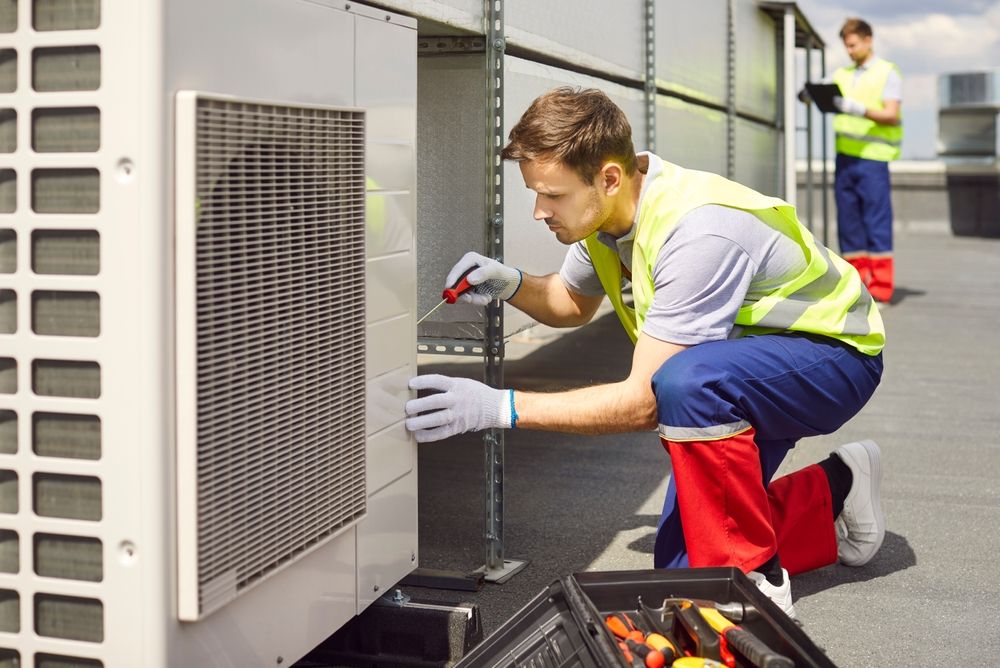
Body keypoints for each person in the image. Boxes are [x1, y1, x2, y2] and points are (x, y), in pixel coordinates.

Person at [405, 87, 887, 618]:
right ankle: (838, 485)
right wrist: (510, 283)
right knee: (680, 568)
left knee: (686, 384)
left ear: (608, 178)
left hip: (833, 358)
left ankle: (746, 587)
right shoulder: (607, 218)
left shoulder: (700, 231)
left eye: (553, 195)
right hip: (745, 366)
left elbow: (644, 403)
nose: (540, 211)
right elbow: (570, 303)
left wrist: (496, 408)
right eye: (535, 194)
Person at [827, 17, 903, 303]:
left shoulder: (887, 72)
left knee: (876, 222)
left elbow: (891, 113)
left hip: (873, 161)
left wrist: (857, 109)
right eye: (846, 46)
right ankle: (857, 288)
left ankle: (881, 290)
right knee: (849, 225)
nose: (849, 50)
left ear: (868, 40)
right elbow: (822, 93)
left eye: (853, 45)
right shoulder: (842, 74)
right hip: (845, 159)